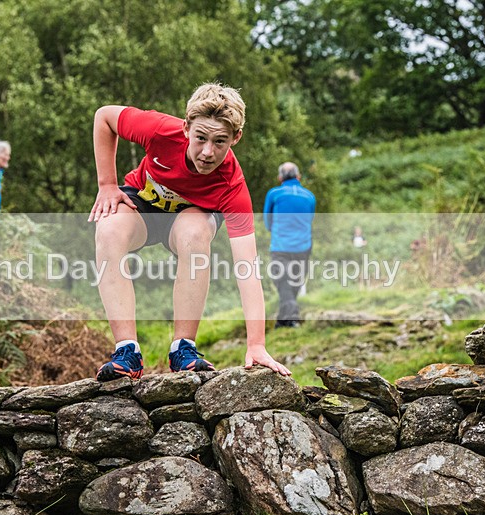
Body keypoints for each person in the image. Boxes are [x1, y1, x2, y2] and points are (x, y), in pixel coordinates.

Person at [89, 83, 291, 381]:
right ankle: (127, 351)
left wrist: (256, 344)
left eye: (219, 142)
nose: (208, 152)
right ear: (186, 129)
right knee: (107, 229)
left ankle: (183, 348)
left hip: (188, 221)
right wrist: (107, 184)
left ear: (236, 138)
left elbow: (247, 267)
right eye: (200, 138)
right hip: (141, 206)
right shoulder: (160, 130)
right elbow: (104, 117)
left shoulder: (232, 187)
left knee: (194, 231)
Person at [263, 162, 316, 328]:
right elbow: (311, 218)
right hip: (304, 245)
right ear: (298, 177)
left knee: (282, 280)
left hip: (280, 245)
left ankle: (291, 317)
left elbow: (267, 220)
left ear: (280, 178)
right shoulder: (309, 196)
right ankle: (284, 319)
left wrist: (275, 230)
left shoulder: (274, 194)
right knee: (295, 281)